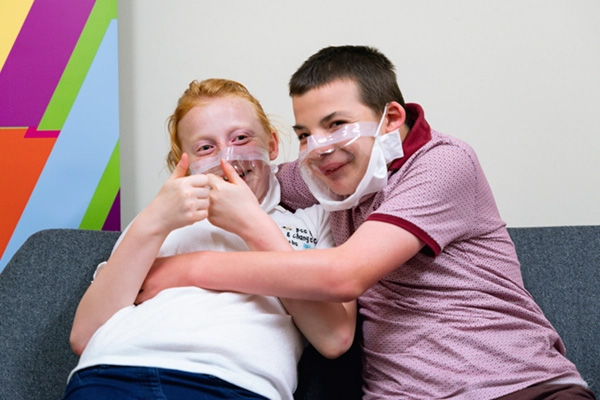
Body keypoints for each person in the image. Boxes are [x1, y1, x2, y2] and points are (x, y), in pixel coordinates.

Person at [136, 47, 596, 399]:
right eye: (305, 134)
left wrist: (180, 270)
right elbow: (243, 176)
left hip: (517, 386)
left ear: (390, 119)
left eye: (337, 125)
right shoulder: (321, 176)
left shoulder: (443, 164)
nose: (320, 148)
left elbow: (343, 274)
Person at [63, 78, 356, 400]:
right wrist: (153, 221)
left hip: (232, 383)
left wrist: (252, 225)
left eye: (241, 138)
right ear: (184, 163)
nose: (226, 159)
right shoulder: (160, 222)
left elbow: (334, 338)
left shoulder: (316, 221)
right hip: (112, 372)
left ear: (272, 144)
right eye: (206, 147)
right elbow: (84, 335)